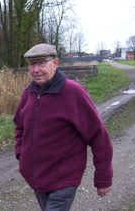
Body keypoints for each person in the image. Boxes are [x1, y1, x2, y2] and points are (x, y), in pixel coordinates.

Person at [14, 43, 113, 211]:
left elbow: (98, 137)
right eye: (32, 64)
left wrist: (103, 178)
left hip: (64, 178)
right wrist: (21, 154)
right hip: (36, 177)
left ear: (55, 63)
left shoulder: (73, 92)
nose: (36, 69)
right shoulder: (28, 93)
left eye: (41, 63)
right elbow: (20, 127)